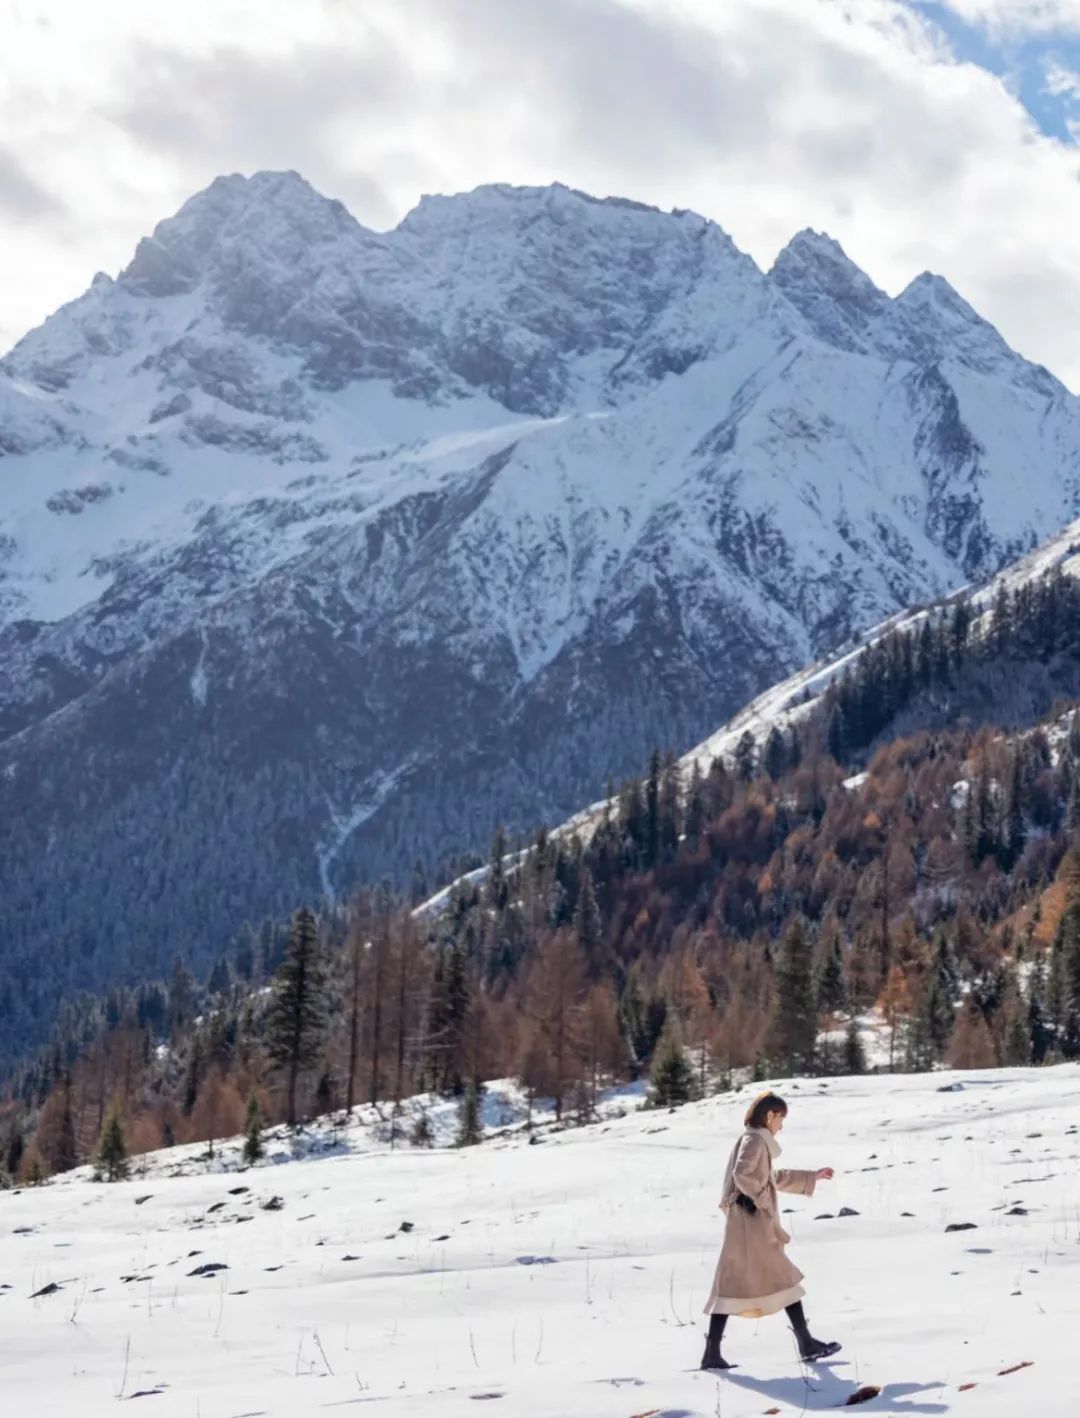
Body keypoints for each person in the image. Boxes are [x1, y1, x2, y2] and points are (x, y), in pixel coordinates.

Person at [700, 1091, 840, 1370]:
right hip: (750, 1224)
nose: (782, 1126)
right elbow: (743, 1176)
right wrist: (762, 1201)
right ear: (770, 1115)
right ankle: (806, 1344)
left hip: (747, 1224)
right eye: (781, 1118)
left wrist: (810, 1177)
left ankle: (712, 1354)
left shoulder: (755, 1140)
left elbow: (769, 1179)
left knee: (739, 1283)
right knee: (781, 1279)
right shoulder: (754, 1140)